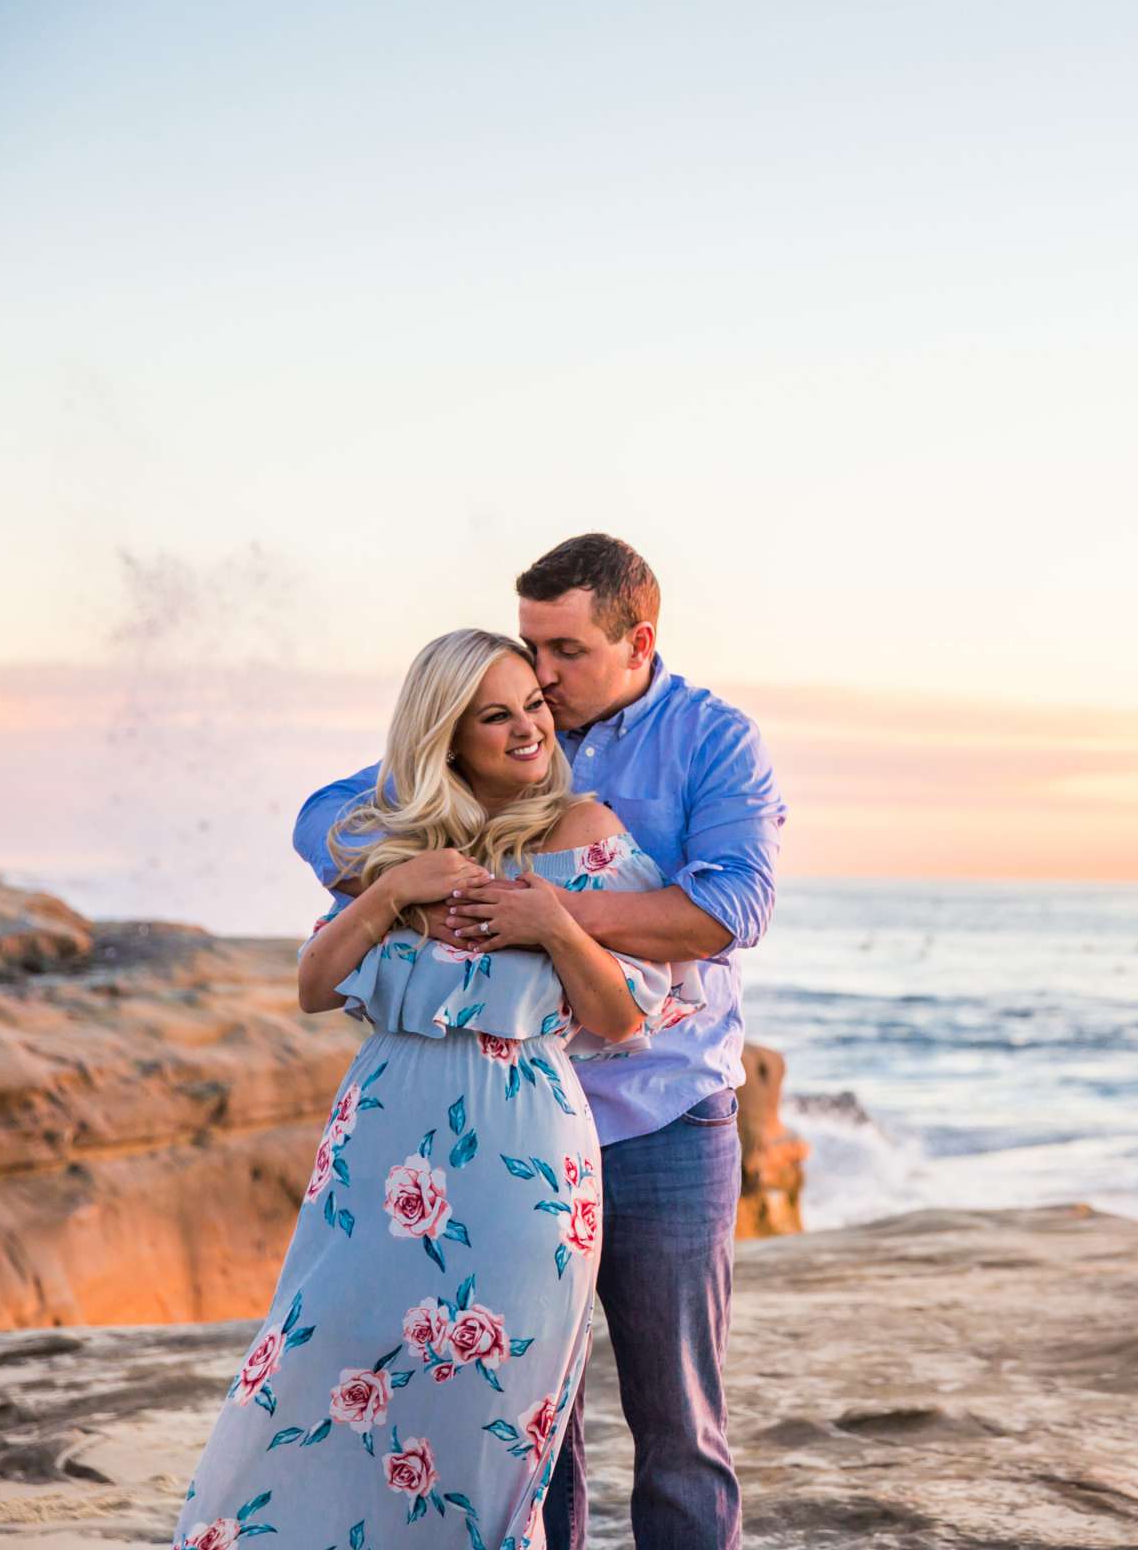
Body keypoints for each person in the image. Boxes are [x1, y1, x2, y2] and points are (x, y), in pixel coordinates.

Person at [293, 534, 785, 1550]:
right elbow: (325, 816)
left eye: (562, 651)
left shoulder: (711, 740)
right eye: (529, 647)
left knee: (679, 1418)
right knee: (522, 1417)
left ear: (636, 638)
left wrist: (547, 911)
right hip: (507, 1137)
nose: (541, 681)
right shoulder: (504, 726)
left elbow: (729, 906)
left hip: (662, 1122)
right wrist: (415, 896)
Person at [173, 628, 701, 1550]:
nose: (530, 728)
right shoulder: (399, 842)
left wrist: (556, 922)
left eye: (534, 704)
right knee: (319, 1370)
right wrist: (390, 892)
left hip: (525, 1157)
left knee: (485, 1412)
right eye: (497, 716)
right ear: (447, 737)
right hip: (379, 1147)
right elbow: (314, 987)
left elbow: (624, 1019)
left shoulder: (589, 835)